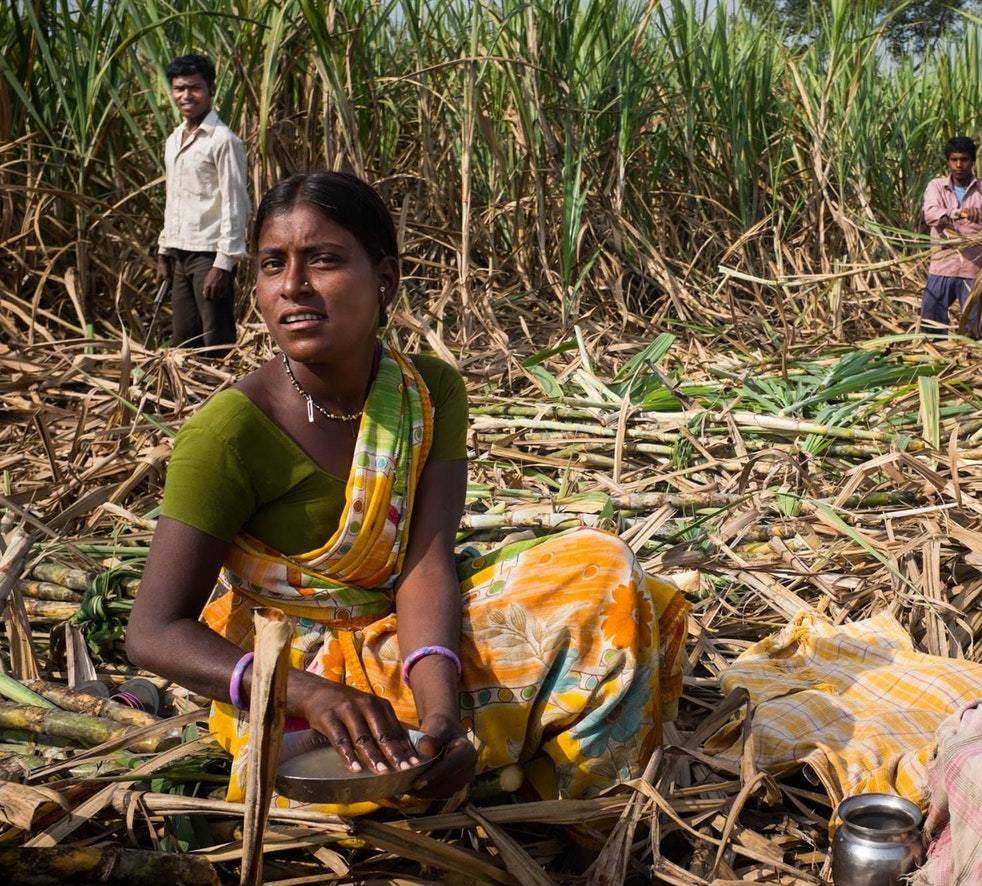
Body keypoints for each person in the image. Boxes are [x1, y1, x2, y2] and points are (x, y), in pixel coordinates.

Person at [126, 172, 687, 812]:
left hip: (414, 635)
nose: (292, 287)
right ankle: (490, 762)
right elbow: (153, 631)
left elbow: (425, 566)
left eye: (324, 261)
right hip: (295, 670)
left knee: (604, 573)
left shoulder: (426, 393)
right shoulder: (226, 434)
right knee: (352, 777)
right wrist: (305, 694)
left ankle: (565, 809)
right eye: (272, 265)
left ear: (385, 278)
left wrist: (442, 712)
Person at [154, 54, 250, 351]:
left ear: (210, 89)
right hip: (181, 252)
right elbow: (175, 200)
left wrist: (223, 264)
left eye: (194, 88)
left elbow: (236, 203)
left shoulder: (223, 140)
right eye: (179, 88)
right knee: (184, 338)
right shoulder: (174, 139)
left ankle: (223, 395)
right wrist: (164, 251)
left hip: (209, 254)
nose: (186, 96)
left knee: (216, 339)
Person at [920, 136, 982, 338]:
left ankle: (973, 365)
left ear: (972, 161)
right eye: (954, 160)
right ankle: (932, 363)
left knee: (974, 327)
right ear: (948, 161)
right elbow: (931, 214)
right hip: (943, 266)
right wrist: (960, 213)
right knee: (931, 323)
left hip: (975, 270)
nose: (958, 165)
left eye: (964, 160)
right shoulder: (936, 187)